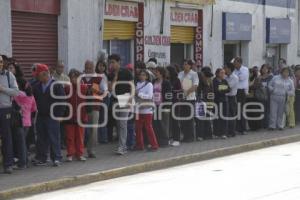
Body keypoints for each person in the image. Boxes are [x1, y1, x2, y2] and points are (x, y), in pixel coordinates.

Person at [32, 64, 65, 167]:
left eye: (38, 75)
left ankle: (56, 158)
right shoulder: (37, 86)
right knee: (41, 138)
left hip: (53, 116)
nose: (37, 77)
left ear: (44, 74)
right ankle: (42, 158)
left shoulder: (57, 85)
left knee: (54, 137)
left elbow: (62, 101)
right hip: (41, 116)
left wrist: (60, 115)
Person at [108, 54, 134, 155]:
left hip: (125, 98)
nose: (111, 64)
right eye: (110, 62)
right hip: (115, 100)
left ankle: (122, 147)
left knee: (123, 124)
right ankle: (122, 145)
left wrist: (130, 100)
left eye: (113, 62)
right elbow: (110, 89)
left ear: (119, 62)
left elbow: (132, 86)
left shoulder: (126, 72)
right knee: (118, 124)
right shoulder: (110, 74)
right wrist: (115, 78)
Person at [82, 60, 108, 158]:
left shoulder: (99, 78)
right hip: (82, 107)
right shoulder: (81, 77)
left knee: (93, 129)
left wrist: (97, 91)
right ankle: (80, 150)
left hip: (94, 107)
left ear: (94, 68)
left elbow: (105, 92)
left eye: (90, 68)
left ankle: (90, 150)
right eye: (86, 68)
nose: (88, 70)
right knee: (82, 129)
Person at [0, 55, 19, 174]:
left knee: (7, 137)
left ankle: (8, 165)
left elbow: (16, 92)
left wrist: (3, 89)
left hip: (5, 110)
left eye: (1, 62)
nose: (0, 64)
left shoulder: (9, 75)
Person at [64, 69, 88, 162]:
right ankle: (70, 154)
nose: (73, 79)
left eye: (75, 77)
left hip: (81, 116)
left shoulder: (84, 88)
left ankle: (80, 154)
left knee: (80, 137)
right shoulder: (66, 88)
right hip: (69, 116)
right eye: (71, 77)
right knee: (70, 137)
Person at [134, 70, 159, 151]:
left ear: (147, 76)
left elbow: (150, 96)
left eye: (143, 75)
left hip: (147, 109)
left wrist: (139, 94)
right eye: (140, 75)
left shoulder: (149, 84)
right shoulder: (137, 84)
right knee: (138, 128)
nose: (141, 76)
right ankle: (139, 145)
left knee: (148, 127)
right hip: (138, 109)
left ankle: (154, 145)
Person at [178, 60, 199, 142]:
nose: (184, 65)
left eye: (186, 64)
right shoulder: (180, 73)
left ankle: (190, 137)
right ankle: (185, 136)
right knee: (183, 119)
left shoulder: (194, 74)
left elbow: (195, 86)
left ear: (190, 66)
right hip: (182, 98)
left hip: (190, 98)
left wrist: (186, 93)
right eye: (184, 64)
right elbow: (178, 84)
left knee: (189, 119)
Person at [152, 67, 172, 147]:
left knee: (164, 124)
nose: (155, 73)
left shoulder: (166, 82)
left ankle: (164, 141)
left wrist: (167, 105)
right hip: (154, 105)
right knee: (156, 123)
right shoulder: (153, 81)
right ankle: (156, 140)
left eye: (157, 72)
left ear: (161, 73)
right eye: (155, 72)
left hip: (163, 105)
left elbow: (168, 95)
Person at [195, 67, 214, 140]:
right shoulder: (209, 80)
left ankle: (201, 135)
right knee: (206, 119)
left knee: (201, 120)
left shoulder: (203, 80)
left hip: (204, 101)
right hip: (208, 101)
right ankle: (207, 135)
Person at [252, 64, 273, 129]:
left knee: (268, 110)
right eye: (263, 68)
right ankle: (261, 125)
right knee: (261, 110)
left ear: (268, 69)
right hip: (261, 95)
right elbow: (254, 86)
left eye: (266, 68)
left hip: (269, 95)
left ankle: (267, 124)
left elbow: (272, 85)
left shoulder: (271, 76)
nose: (264, 70)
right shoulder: (259, 77)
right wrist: (259, 83)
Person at [166, 66, 183, 146]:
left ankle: (177, 139)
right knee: (168, 122)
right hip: (167, 102)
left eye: (167, 71)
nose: (166, 73)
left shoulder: (177, 80)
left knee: (175, 121)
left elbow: (180, 90)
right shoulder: (166, 80)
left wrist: (172, 90)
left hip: (175, 102)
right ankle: (170, 138)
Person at [233, 57, 249, 134]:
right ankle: (237, 128)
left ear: (239, 63)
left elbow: (241, 78)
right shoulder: (234, 70)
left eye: (235, 63)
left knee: (241, 110)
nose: (234, 64)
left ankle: (243, 129)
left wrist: (234, 78)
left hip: (241, 91)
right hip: (235, 91)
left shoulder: (245, 69)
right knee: (236, 110)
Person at [213, 68, 230, 139]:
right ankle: (216, 133)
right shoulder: (214, 80)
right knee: (216, 117)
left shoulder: (224, 80)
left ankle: (224, 133)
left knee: (224, 117)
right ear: (217, 74)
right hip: (216, 101)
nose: (223, 74)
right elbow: (216, 90)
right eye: (221, 73)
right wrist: (223, 88)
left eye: (224, 73)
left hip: (224, 101)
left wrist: (221, 88)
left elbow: (229, 89)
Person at [95, 60, 110, 144]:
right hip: (98, 97)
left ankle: (103, 138)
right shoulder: (95, 75)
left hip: (105, 98)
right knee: (97, 118)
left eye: (103, 66)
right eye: (100, 66)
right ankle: (98, 138)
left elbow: (106, 89)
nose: (101, 67)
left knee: (103, 118)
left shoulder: (105, 76)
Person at [224, 63, 239, 137]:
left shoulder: (234, 77)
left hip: (232, 98)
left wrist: (220, 87)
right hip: (225, 97)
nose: (224, 69)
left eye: (226, 68)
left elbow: (228, 87)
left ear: (229, 69)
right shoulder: (225, 77)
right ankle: (227, 131)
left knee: (232, 115)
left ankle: (232, 132)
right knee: (226, 115)